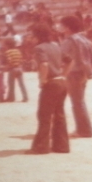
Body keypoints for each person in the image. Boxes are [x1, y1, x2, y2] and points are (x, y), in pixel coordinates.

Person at [58, 14, 92, 138]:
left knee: (77, 103)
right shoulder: (83, 39)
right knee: (79, 101)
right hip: (83, 72)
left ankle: (84, 130)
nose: (59, 26)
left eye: (61, 25)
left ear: (67, 27)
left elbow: (61, 57)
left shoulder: (69, 41)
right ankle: (83, 129)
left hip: (73, 73)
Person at [29, 24, 69, 154]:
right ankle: (61, 146)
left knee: (44, 115)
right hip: (61, 82)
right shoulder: (56, 46)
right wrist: (63, 75)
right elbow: (70, 61)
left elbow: (44, 64)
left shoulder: (39, 48)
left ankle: (41, 147)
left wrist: (42, 80)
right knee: (59, 115)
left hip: (51, 83)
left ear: (37, 36)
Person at [4, 37, 27, 103]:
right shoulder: (18, 51)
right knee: (21, 84)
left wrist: (7, 67)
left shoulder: (8, 52)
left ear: (8, 45)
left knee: (11, 84)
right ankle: (25, 97)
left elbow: (9, 60)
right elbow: (21, 60)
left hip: (12, 69)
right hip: (19, 68)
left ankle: (11, 97)